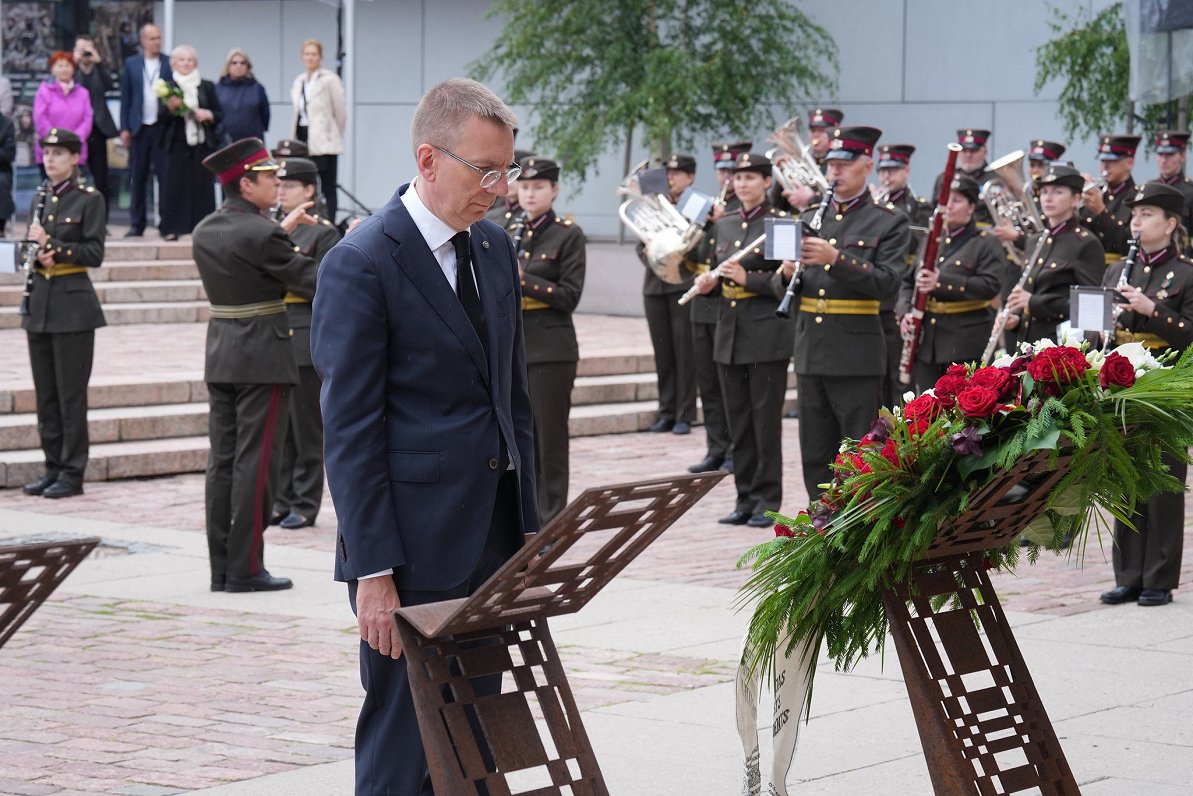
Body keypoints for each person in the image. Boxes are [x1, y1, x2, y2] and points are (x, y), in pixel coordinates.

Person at [310, 77, 539, 795]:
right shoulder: (362, 262)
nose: (499, 188)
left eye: (507, 169)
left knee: (477, 744)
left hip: (495, 539)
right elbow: (349, 431)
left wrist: (530, 528)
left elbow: (515, 400)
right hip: (411, 552)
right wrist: (372, 571)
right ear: (428, 159)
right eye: (484, 170)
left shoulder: (494, 249)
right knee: (406, 743)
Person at [193, 137, 317, 593]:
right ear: (246, 185)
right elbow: (312, 279)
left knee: (221, 463)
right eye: (268, 177)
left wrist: (277, 232)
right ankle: (246, 569)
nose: (277, 182)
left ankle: (222, 568)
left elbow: (249, 261)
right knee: (257, 464)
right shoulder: (264, 234)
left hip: (222, 351)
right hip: (263, 355)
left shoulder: (206, 229)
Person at [774, 125, 908, 501]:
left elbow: (889, 284)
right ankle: (821, 530)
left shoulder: (888, 221)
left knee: (860, 452)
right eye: (831, 164)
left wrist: (837, 260)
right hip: (810, 352)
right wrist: (784, 274)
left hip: (856, 355)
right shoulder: (812, 217)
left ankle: (859, 531)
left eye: (844, 165)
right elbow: (780, 289)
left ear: (867, 166)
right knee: (815, 454)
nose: (834, 172)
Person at [1098, 182, 1193, 607]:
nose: (1137, 222)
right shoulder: (1117, 271)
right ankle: (1129, 575)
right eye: (1135, 215)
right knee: (1125, 476)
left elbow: (1189, 333)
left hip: (1168, 385)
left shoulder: (1188, 272)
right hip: (1122, 381)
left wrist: (1154, 311)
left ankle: (1159, 577)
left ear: (1171, 223)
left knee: (1164, 479)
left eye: (1148, 215)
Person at [692, 152, 793, 526]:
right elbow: (718, 275)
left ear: (767, 182)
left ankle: (767, 500)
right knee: (738, 423)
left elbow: (787, 284)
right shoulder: (727, 224)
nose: (743, 184)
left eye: (751, 177)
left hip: (766, 334)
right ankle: (744, 497)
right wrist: (710, 285)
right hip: (729, 333)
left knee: (764, 422)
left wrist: (746, 279)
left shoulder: (781, 225)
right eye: (738, 178)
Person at [19, 129, 106, 499]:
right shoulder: (41, 196)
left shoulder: (90, 199)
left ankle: (72, 472)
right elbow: (32, 246)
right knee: (47, 395)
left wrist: (52, 246)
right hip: (40, 303)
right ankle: (51, 466)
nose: (50, 159)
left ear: (74, 158)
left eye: (58, 153)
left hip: (73, 306)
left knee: (71, 395)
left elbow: (93, 254)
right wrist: (33, 253)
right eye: (47, 153)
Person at [269, 156, 341, 530]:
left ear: (309, 190)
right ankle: (281, 498)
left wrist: (277, 269)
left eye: (290, 186)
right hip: (274, 329)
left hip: (303, 329)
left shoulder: (323, 233)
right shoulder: (272, 227)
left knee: (306, 427)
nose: (281, 191)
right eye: (279, 185)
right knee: (280, 428)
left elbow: (319, 282)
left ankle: (305, 501)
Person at [513, 155, 585, 524]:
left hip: (551, 350)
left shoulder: (568, 235)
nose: (529, 193)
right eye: (524, 186)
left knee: (550, 440)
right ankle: (527, 518)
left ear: (554, 190)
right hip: (514, 347)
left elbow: (570, 296)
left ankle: (552, 519)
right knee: (521, 439)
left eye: (538, 187)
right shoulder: (511, 229)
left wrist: (524, 280)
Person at [895, 174, 1004, 392]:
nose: (948, 207)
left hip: (966, 342)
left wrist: (941, 281)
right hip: (928, 344)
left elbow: (990, 285)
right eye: (945, 201)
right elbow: (909, 281)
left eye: (956, 200)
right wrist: (904, 312)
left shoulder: (986, 242)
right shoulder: (932, 239)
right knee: (930, 411)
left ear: (971, 207)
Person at [689, 140, 750, 474]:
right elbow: (689, 253)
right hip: (704, 300)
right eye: (723, 170)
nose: (727, 177)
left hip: (731, 303)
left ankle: (731, 451)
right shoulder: (704, 206)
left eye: (733, 171)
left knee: (729, 384)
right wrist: (705, 224)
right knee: (708, 383)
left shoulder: (739, 214)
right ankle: (716, 446)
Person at [1004, 163, 1104, 346]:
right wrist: (1015, 317)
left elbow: (1093, 310)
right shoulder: (1035, 240)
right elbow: (1029, 290)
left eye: (1057, 192)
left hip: (1062, 348)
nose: (1048, 198)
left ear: (1075, 199)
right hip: (1029, 341)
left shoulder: (1086, 243)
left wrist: (1034, 303)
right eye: (1044, 192)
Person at [639, 153, 698, 435]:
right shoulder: (654, 204)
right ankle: (666, 411)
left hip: (684, 284)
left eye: (679, 173)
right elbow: (642, 247)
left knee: (685, 351)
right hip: (655, 285)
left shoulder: (697, 205)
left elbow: (701, 244)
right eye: (669, 173)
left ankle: (685, 414)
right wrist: (650, 249)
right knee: (663, 352)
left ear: (691, 177)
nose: (671, 178)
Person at [874, 143, 930, 407]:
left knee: (902, 374)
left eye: (893, 170)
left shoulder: (919, 207)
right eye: (882, 170)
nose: (886, 176)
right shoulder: (872, 207)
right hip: (879, 291)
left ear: (906, 170)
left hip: (904, 288)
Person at [156, 45, 222, 240]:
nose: (185, 63)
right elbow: (160, 119)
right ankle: (172, 228)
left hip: (201, 142)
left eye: (189, 60)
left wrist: (208, 115)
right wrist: (170, 108)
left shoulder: (206, 85)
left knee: (202, 185)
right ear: (174, 63)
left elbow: (219, 113)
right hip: (176, 141)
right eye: (181, 60)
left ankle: (202, 228)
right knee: (174, 184)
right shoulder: (167, 86)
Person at [119, 24, 171, 237]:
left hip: (162, 128)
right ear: (142, 41)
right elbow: (126, 98)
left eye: (159, 38)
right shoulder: (132, 64)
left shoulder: (168, 63)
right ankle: (137, 224)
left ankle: (166, 224)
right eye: (152, 38)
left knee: (165, 178)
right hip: (139, 129)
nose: (156, 42)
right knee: (137, 178)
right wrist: (124, 127)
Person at [289, 39, 346, 220]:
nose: (310, 58)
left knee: (327, 185)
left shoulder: (329, 80)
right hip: (303, 136)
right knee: (306, 182)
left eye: (314, 54)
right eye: (307, 54)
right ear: (301, 57)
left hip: (324, 139)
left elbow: (340, 112)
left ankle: (328, 222)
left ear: (320, 57)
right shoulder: (299, 81)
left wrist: (334, 134)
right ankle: (309, 219)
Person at [73, 35, 118, 213]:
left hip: (98, 128)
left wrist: (98, 62)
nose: (85, 53)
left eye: (88, 48)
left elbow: (110, 86)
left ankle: (102, 220)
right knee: (77, 175)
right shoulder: (72, 70)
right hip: (77, 128)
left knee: (101, 178)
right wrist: (74, 62)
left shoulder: (98, 71)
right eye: (81, 49)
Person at [1080, 134, 1140, 261]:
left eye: (1112, 161)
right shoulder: (1094, 193)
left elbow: (1131, 246)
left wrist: (1101, 212)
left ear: (1129, 163)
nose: (1105, 166)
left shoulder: (1137, 198)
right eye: (1102, 160)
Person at [33, 52, 93, 177]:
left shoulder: (83, 93)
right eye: (60, 66)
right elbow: (40, 117)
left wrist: (73, 140)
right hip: (50, 149)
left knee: (75, 192)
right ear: (52, 69)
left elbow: (87, 119)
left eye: (67, 65)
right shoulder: (44, 91)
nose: (64, 69)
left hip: (75, 150)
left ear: (73, 68)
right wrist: (57, 140)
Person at [933, 129, 995, 226]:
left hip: (985, 237)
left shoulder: (995, 180)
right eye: (964, 150)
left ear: (985, 152)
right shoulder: (944, 178)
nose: (968, 155)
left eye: (974, 150)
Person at [215, 48, 270, 144]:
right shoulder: (218, 89)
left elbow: (265, 115)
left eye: (242, 63)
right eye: (234, 63)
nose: (238, 66)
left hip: (252, 143)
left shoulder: (257, 88)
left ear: (248, 66)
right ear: (228, 66)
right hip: (223, 143)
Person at [1152, 130, 1193, 252]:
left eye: (1169, 155)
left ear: (1182, 156)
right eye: (1160, 154)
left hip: (1183, 254)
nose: (1164, 160)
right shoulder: (1150, 188)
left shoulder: (1190, 191)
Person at [0, 111, 15, 236]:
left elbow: (9, 154)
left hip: (1, 168)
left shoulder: (7, 124)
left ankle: (0, 228)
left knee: (1, 183)